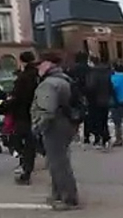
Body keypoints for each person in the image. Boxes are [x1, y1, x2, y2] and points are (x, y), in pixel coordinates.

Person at [31, 52, 79, 209]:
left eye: (40, 64)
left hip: (55, 125)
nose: (38, 67)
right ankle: (58, 194)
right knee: (60, 160)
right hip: (67, 122)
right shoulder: (65, 79)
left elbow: (47, 109)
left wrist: (37, 126)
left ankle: (67, 197)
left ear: (48, 64)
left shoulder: (48, 84)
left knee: (58, 163)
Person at [9, 51, 41, 185]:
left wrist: (7, 105)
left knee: (18, 139)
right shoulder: (38, 75)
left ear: (22, 61)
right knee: (30, 142)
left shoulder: (23, 77)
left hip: (23, 113)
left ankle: (26, 169)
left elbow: (17, 97)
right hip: (36, 112)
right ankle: (28, 165)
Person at [85, 57, 114, 148]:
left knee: (97, 120)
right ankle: (106, 137)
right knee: (104, 120)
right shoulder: (107, 72)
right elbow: (111, 86)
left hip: (95, 101)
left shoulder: (93, 74)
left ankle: (100, 138)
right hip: (105, 100)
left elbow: (90, 87)